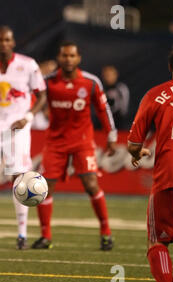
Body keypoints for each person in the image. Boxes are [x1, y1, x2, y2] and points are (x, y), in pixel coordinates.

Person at [34, 41, 117, 251]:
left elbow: (103, 109)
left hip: (82, 142)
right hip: (55, 142)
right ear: (59, 58)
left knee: (91, 185)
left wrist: (111, 135)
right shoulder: (47, 82)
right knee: (45, 188)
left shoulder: (90, 82)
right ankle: (45, 236)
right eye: (64, 56)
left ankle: (106, 233)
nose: (68, 59)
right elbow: (35, 101)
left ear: (78, 58)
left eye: (72, 56)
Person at [0, 25, 47, 249]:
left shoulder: (28, 65)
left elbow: (41, 95)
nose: (3, 44)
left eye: (7, 40)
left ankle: (22, 234)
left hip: (18, 126)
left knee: (19, 179)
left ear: (13, 42)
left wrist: (29, 116)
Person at [127, 43, 173, 282]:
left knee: (158, 241)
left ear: (170, 68)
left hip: (170, 173)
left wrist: (138, 154)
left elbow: (134, 144)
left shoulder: (155, 94)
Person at [101, 65, 130, 130]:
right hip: (103, 120)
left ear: (116, 75)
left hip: (118, 121)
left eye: (110, 75)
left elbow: (124, 108)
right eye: (106, 75)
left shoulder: (121, 88)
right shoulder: (100, 88)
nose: (108, 78)